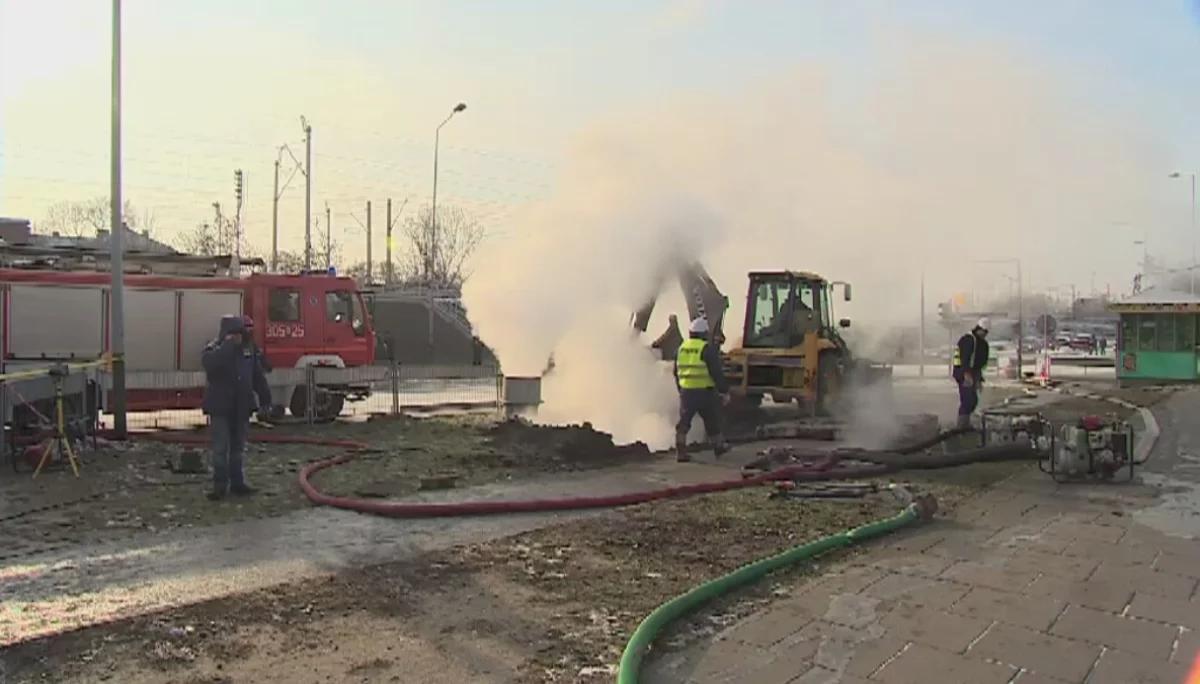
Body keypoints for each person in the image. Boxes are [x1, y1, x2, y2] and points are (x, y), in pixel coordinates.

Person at [202, 315, 273, 500]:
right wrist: (227, 347)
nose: (238, 337)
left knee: (238, 448)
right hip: (220, 408)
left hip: (241, 407)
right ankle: (220, 486)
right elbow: (209, 364)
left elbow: (257, 375)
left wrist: (266, 399)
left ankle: (237, 483)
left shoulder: (248, 351)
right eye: (234, 334)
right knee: (220, 448)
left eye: (240, 333)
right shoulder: (214, 349)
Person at [674, 317, 730, 462]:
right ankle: (718, 447)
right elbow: (716, 372)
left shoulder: (681, 348)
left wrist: (681, 388)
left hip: (687, 392)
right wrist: (724, 391)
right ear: (704, 333)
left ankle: (680, 452)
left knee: (684, 422)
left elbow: (676, 371)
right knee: (712, 420)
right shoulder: (706, 349)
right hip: (705, 392)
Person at [952, 318, 990, 429]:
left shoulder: (980, 342)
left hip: (970, 374)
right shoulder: (969, 340)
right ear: (980, 329)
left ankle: (965, 424)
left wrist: (978, 379)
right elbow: (965, 359)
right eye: (985, 332)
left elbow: (977, 363)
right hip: (963, 374)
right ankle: (961, 426)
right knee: (968, 399)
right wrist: (966, 374)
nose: (985, 335)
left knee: (972, 400)